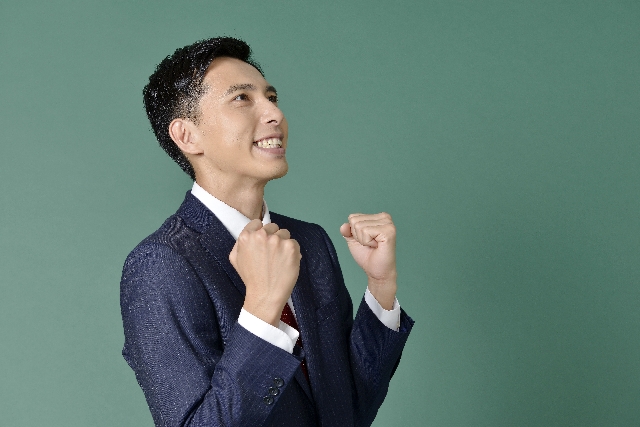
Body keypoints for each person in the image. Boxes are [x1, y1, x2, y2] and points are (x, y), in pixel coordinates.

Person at [120, 37, 414, 427]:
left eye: (271, 97)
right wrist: (262, 308)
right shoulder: (160, 265)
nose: (275, 112)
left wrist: (381, 286)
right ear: (187, 136)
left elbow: (348, 410)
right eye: (242, 98)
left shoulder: (310, 242)